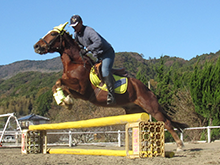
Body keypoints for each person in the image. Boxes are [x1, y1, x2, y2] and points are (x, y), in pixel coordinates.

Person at [69, 15, 116, 105]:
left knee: (105, 71)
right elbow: (80, 46)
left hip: (107, 53)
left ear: (81, 23)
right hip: (98, 56)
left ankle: (111, 95)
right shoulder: (76, 35)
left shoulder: (89, 31)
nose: (74, 27)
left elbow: (98, 42)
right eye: (73, 26)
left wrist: (87, 50)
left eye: (76, 25)